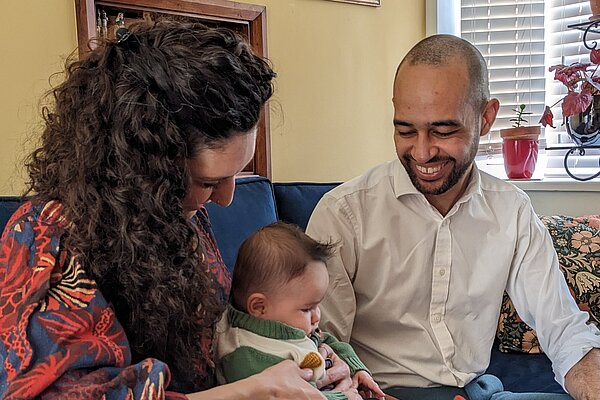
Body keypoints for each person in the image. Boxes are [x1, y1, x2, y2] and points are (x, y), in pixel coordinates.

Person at [0, 21, 352, 399]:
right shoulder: (46, 239)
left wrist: (312, 359)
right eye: (209, 181)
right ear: (143, 166)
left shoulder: (178, 215)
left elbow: (228, 338)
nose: (226, 199)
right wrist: (247, 392)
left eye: (238, 174)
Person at [306, 34, 600, 400]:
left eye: (444, 131)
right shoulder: (343, 214)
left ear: (486, 117)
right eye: (405, 130)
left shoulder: (512, 210)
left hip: (480, 392)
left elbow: (562, 326)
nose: (423, 152)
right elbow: (320, 345)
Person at [216, 222, 386, 400]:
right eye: (307, 309)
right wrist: (344, 397)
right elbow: (296, 395)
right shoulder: (246, 354)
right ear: (259, 307)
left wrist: (357, 369)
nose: (317, 316)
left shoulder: (290, 326)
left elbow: (328, 340)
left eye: (317, 305)